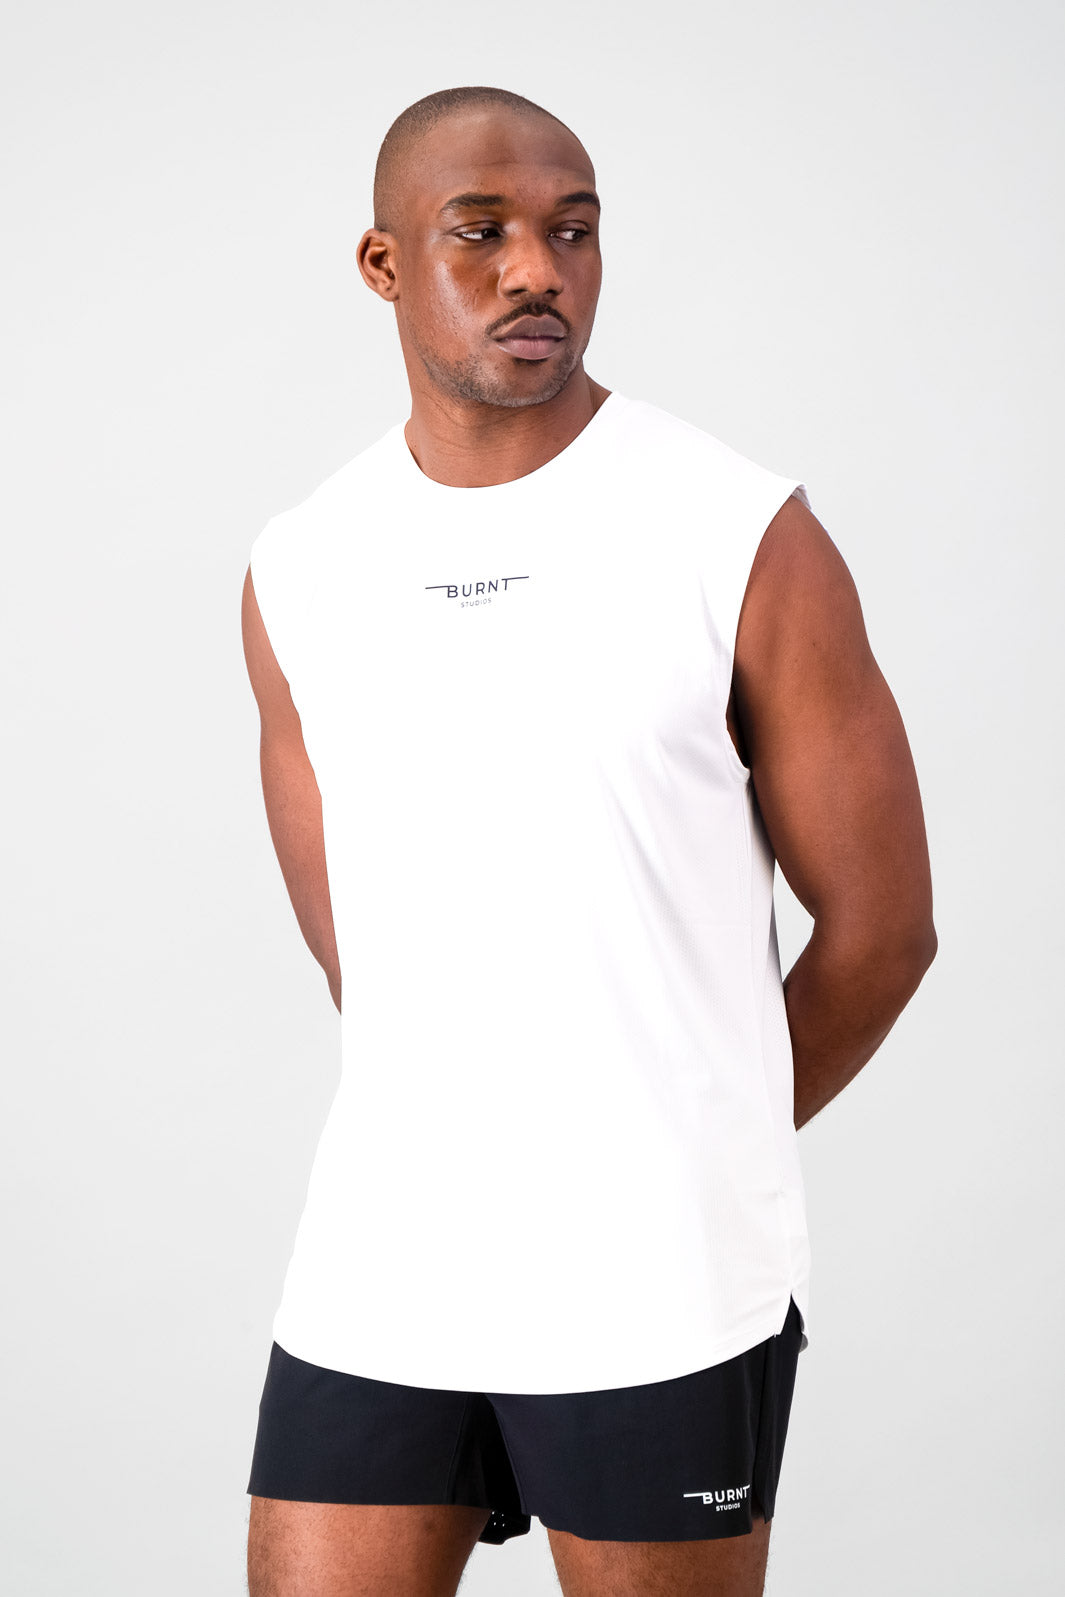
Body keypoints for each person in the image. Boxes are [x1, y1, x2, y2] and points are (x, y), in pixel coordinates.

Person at [240, 84, 937, 1597]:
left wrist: (697, 1131)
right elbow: (363, 951)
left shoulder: (737, 531)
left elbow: (885, 930)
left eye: (572, 232)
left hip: (658, 1273)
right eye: (479, 233)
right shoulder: (301, 565)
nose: (535, 271)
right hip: (387, 1254)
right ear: (383, 264)